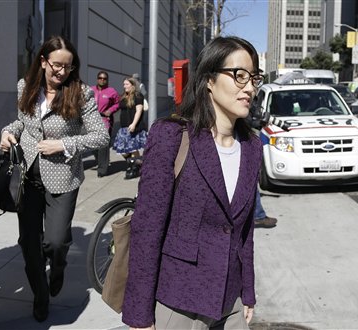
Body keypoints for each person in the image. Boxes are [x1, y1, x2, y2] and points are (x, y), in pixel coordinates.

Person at [122, 36, 265, 329]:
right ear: (209, 80)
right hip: (179, 303)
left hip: (231, 303)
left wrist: (247, 291)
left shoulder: (252, 146)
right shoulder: (172, 136)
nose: (249, 87)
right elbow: (147, 229)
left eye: (254, 78)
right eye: (239, 76)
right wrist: (139, 314)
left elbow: (245, 231)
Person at [0, 35, 109, 322]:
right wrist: (7, 133)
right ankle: (40, 295)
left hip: (63, 179)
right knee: (28, 242)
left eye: (68, 67)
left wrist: (63, 144)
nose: (62, 72)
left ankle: (57, 267)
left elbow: (101, 135)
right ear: (43, 61)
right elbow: (22, 123)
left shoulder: (81, 93)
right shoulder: (26, 87)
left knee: (56, 242)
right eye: (57, 65)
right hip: (28, 178)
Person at [112, 77, 147, 179]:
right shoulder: (123, 96)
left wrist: (134, 124)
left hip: (133, 127)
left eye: (126, 84)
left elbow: (139, 110)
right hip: (123, 127)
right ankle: (137, 163)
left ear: (132, 85)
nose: (124, 86)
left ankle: (133, 167)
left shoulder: (138, 95)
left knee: (132, 149)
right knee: (123, 150)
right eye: (124, 84)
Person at [91, 71, 120, 177]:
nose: (102, 80)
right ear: (97, 79)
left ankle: (102, 170)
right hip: (91, 120)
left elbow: (118, 103)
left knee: (103, 145)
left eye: (104, 78)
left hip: (105, 120)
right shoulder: (91, 90)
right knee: (92, 144)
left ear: (107, 80)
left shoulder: (111, 91)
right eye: (100, 78)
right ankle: (102, 161)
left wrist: (110, 110)